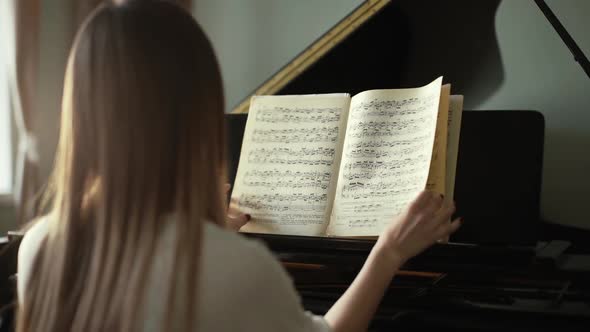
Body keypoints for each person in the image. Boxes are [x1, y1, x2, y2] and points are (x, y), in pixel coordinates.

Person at [16, 1, 461, 331]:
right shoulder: (233, 268)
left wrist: (201, 233)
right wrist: (387, 253)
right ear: (196, 113)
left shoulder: (39, 246)